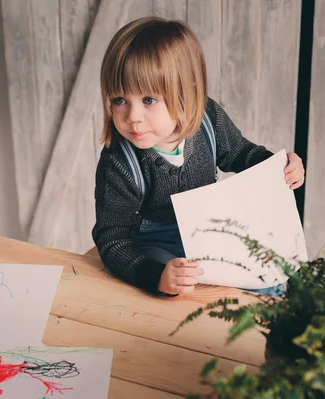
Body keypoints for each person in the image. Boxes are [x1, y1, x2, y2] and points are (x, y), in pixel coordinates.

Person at [92, 17, 305, 297]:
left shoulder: (208, 121)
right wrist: (154, 276)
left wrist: (282, 166)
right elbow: (112, 236)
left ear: (187, 91)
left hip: (209, 230)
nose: (132, 117)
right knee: (176, 288)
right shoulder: (120, 163)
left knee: (269, 278)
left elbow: (242, 154)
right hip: (156, 242)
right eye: (120, 100)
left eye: (148, 100)